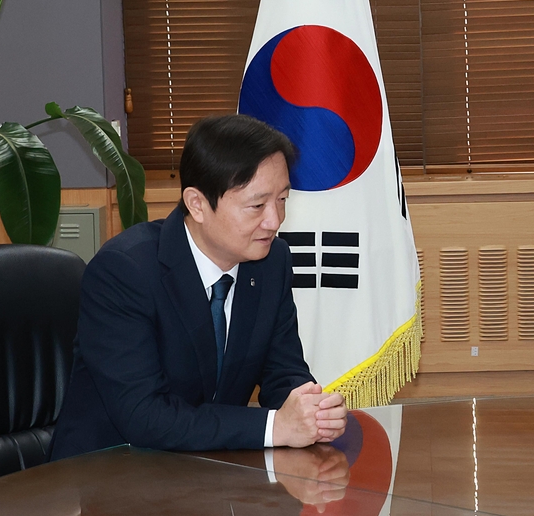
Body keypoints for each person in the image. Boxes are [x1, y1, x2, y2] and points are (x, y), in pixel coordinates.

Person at [52, 115, 346, 459]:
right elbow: (144, 416)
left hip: (210, 470)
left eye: (282, 199)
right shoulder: (125, 272)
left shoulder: (271, 261)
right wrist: (275, 427)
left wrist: (310, 410)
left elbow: (283, 370)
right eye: (257, 205)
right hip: (108, 476)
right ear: (197, 204)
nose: (275, 220)